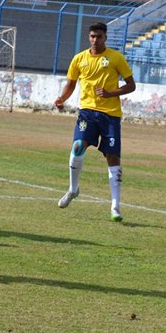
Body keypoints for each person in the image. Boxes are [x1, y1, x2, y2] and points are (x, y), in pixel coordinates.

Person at [54, 21, 135, 222]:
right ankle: (73, 189)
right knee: (78, 145)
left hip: (111, 116)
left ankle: (115, 207)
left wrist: (110, 93)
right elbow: (71, 84)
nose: (95, 40)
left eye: (99, 36)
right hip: (87, 112)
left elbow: (131, 85)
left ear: (105, 37)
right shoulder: (79, 59)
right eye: (92, 36)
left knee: (112, 157)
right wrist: (62, 99)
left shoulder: (116, 58)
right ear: (88, 37)